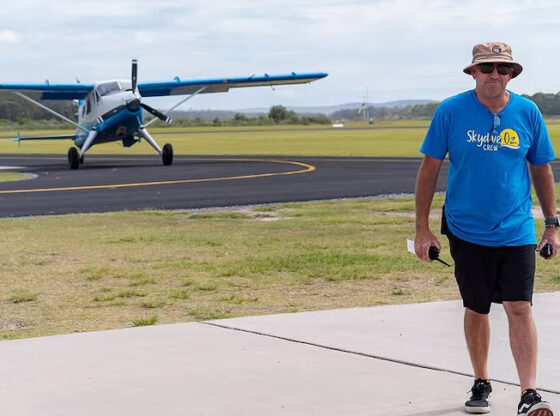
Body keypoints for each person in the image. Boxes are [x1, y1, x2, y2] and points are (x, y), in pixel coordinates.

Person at [414, 41, 558, 416]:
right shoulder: (450, 111)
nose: (496, 74)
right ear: (473, 72)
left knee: (519, 307)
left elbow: (541, 169)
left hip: (516, 228)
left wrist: (552, 225)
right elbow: (428, 170)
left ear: (512, 74)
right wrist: (422, 230)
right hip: (466, 229)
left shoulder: (528, 112)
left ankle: (529, 393)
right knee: (476, 308)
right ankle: (482, 380)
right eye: (488, 68)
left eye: (503, 69)